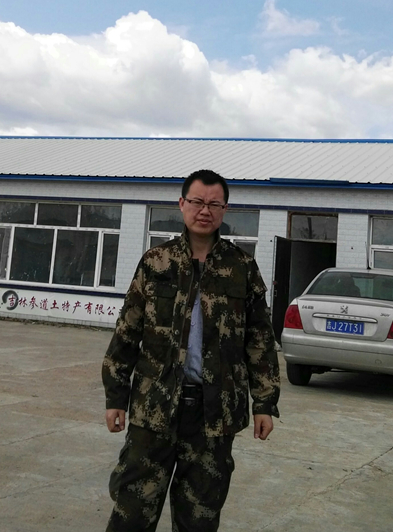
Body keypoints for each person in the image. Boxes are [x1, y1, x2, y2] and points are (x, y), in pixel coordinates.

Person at [102, 169, 280, 532]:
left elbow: (259, 340)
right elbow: (127, 331)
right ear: (181, 204)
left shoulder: (242, 268)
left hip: (212, 415)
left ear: (225, 209)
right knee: (131, 513)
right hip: (154, 408)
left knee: (199, 519)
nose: (205, 211)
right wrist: (115, 396)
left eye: (214, 204)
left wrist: (264, 403)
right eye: (197, 201)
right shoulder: (156, 262)